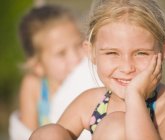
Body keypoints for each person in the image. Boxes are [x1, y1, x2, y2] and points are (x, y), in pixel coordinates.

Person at [30, 0, 165, 139]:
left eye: (141, 53)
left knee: (117, 126)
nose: (127, 67)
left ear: (163, 51)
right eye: (112, 53)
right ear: (91, 53)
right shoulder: (91, 102)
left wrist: (135, 96)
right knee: (48, 133)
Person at [9, 5, 101, 140]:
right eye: (61, 53)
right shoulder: (35, 86)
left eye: (78, 45)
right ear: (38, 65)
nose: (74, 58)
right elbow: (26, 133)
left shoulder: (89, 73)